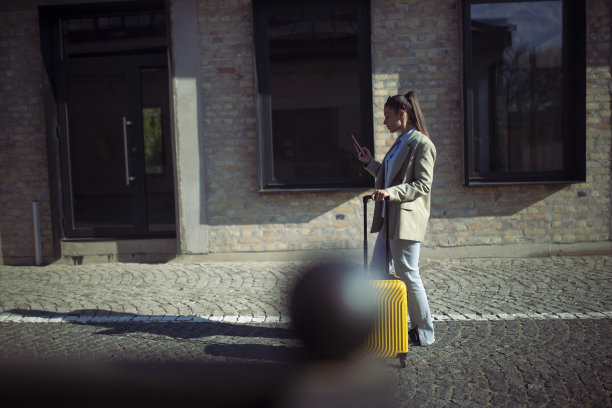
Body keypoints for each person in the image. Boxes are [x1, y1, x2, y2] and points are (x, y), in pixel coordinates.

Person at [354, 91, 436, 347]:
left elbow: (422, 185)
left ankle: (424, 331)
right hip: (388, 219)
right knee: (377, 272)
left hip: (405, 220)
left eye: (387, 116)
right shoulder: (400, 142)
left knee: (408, 274)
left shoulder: (422, 144)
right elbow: (390, 178)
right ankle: (380, 327)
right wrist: (371, 164)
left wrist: (390, 192)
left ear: (402, 114)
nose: (384, 122)